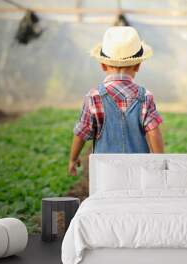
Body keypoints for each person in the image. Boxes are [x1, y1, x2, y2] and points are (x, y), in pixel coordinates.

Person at [68, 26, 164, 176]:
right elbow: (153, 133)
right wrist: (161, 163)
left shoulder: (94, 97)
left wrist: (73, 159)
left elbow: (81, 132)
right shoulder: (145, 96)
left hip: (105, 174)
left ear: (103, 65)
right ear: (138, 65)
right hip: (139, 173)